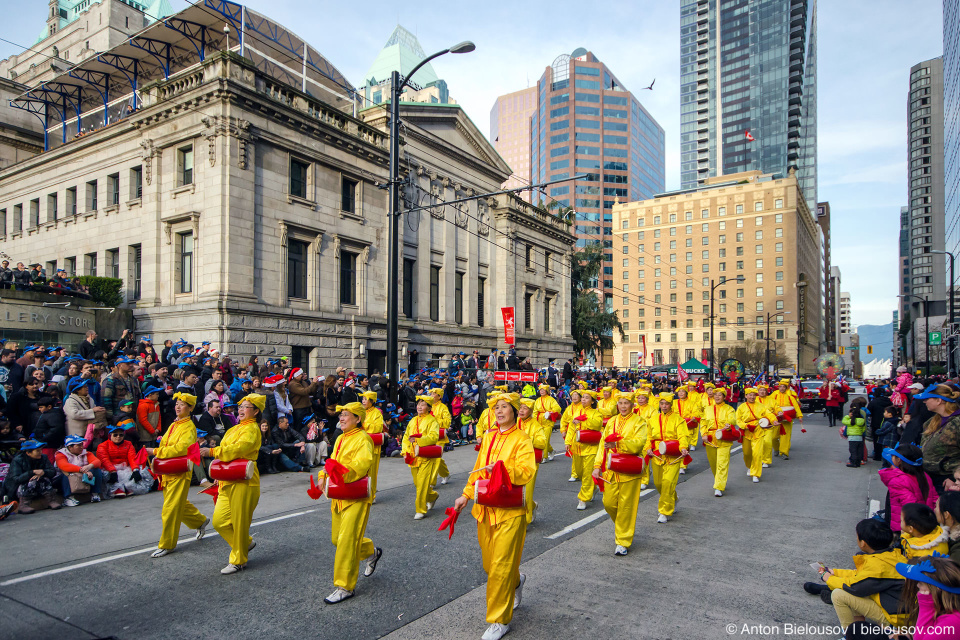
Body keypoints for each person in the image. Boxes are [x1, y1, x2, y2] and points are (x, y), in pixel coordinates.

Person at [452, 393, 536, 640]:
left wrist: (502, 469)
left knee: (500, 567)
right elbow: (478, 470)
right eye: (496, 408)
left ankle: (500, 620)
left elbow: (526, 471)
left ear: (513, 410)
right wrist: (466, 495)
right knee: (491, 565)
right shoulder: (488, 437)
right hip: (485, 508)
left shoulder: (522, 439)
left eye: (504, 407)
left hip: (509, 512)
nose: (499, 412)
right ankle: (517, 581)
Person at [318, 402, 382, 604]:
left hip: (356, 496)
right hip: (339, 495)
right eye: (341, 415)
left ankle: (344, 586)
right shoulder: (340, 438)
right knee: (338, 540)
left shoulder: (363, 439)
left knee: (346, 541)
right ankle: (371, 552)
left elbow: (360, 466)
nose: (342, 418)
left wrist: (337, 474)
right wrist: (322, 475)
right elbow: (331, 461)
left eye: (346, 415)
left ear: (358, 419)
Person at [802, 519, 907, 633]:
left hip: (895, 619)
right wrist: (835, 572)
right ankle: (858, 630)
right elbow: (860, 576)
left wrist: (828, 578)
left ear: (863, 543)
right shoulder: (890, 555)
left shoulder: (878, 565)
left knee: (839, 594)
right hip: (899, 612)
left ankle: (849, 634)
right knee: (849, 591)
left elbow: (854, 587)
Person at [202, 394, 265, 574]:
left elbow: (238, 450)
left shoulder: (252, 429)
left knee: (239, 523)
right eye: (241, 406)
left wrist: (212, 451)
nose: (241, 409)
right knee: (219, 521)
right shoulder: (233, 429)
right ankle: (245, 543)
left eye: (246, 407)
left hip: (244, 481)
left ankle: (238, 560)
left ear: (255, 412)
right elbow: (228, 453)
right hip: (226, 480)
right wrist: (220, 472)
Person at [145, 392, 210, 558]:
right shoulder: (175, 424)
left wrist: (156, 451)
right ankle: (199, 521)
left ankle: (167, 544)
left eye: (182, 404)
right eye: (177, 404)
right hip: (168, 470)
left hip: (179, 470)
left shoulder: (188, 427)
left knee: (170, 508)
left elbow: (181, 449)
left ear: (190, 408)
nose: (178, 407)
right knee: (176, 503)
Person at [592, 391, 647, 555]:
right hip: (611, 469)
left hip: (629, 468)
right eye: (621, 403)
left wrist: (619, 443)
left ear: (632, 405)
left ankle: (623, 541)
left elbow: (638, 444)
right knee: (608, 503)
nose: (623, 406)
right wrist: (597, 466)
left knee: (626, 506)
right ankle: (623, 527)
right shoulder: (612, 422)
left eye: (626, 403)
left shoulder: (639, 422)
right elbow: (603, 444)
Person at [645, 392, 690, 523]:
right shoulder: (653, 419)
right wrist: (648, 447)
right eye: (662, 403)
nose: (664, 406)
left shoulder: (678, 419)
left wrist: (683, 447)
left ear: (671, 405)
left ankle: (664, 511)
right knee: (659, 484)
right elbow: (649, 437)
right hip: (657, 455)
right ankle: (674, 498)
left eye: (667, 404)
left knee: (668, 482)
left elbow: (682, 435)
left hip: (673, 454)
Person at [895, 556, 960, 640]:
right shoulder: (950, 615)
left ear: (936, 589)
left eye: (921, 583)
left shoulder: (950, 623)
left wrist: (926, 605)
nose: (917, 585)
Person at [879, 444, 938, 533]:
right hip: (926, 523)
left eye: (893, 456)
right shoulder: (925, 476)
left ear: (898, 460)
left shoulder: (898, 480)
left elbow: (910, 506)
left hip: (906, 528)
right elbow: (935, 499)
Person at [913, 384, 960, 492]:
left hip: (947, 481)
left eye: (927, 399)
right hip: (929, 477)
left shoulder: (957, 424)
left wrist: (956, 478)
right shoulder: (932, 421)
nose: (924, 402)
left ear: (939, 400)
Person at [402, 396, 441, 519]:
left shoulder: (432, 421)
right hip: (413, 456)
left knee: (423, 483)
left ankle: (420, 509)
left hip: (426, 456)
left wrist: (419, 440)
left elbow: (434, 437)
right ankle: (432, 496)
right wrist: (404, 452)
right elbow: (406, 437)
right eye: (418, 404)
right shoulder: (412, 420)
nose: (419, 406)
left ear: (428, 408)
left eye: (423, 404)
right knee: (418, 484)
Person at [564, 390, 603, 511]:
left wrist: (584, 421)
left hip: (590, 448)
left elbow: (597, 425)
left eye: (586, 398)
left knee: (587, 474)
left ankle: (583, 498)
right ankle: (593, 488)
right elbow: (571, 428)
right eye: (583, 398)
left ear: (592, 401)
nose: (583, 400)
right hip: (577, 447)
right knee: (580, 473)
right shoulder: (577, 411)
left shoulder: (596, 413)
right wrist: (568, 442)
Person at [2, 439, 61, 513]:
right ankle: (23, 505)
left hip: (38, 484)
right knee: (31, 481)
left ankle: (51, 501)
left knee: (44, 479)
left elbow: (52, 472)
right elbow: (16, 479)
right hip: (18, 488)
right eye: (37, 451)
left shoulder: (44, 457)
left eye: (40, 450)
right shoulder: (17, 460)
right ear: (28, 453)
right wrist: (31, 473)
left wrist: (44, 472)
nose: (40, 452)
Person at [700, 387, 738, 497]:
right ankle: (719, 480)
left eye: (720, 395)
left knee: (722, 463)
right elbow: (703, 423)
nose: (717, 396)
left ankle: (718, 487)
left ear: (724, 397)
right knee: (713, 463)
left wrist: (729, 424)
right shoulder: (707, 409)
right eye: (715, 394)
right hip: (710, 439)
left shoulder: (729, 409)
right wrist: (703, 434)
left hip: (724, 437)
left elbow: (732, 419)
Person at [97, 424, 151, 497]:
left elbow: (132, 457)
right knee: (109, 475)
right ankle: (117, 489)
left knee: (141, 470)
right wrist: (112, 471)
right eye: (115, 435)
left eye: (121, 435)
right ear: (110, 436)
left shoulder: (128, 444)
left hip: (126, 466)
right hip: (110, 468)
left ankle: (127, 488)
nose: (118, 437)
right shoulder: (102, 446)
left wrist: (135, 469)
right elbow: (104, 460)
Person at [518, 399, 548, 524]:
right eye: (521, 408)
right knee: (517, 492)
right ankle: (532, 506)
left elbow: (543, 442)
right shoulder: (515, 422)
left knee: (527, 492)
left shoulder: (535, 425)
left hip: (530, 463)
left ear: (530, 411)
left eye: (525, 408)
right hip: (515, 461)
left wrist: (529, 439)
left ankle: (526, 520)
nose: (522, 410)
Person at [55, 434, 105, 506]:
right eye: (78, 445)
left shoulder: (86, 453)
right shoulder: (61, 454)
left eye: (81, 444)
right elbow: (64, 466)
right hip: (67, 477)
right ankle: (68, 498)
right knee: (65, 475)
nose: (81, 447)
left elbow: (97, 462)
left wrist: (89, 466)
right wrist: (82, 470)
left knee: (96, 470)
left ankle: (95, 494)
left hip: (82, 476)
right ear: (70, 447)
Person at [359, 391, 385, 502]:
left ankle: (371, 495)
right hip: (360, 446)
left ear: (372, 401)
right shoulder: (360, 412)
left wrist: (364, 425)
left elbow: (378, 428)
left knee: (372, 472)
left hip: (373, 447)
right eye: (363, 399)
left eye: (366, 399)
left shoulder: (377, 413)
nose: (363, 401)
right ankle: (362, 491)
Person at [532, 384, 561, 463]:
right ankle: (551, 450)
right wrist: (534, 421)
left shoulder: (551, 399)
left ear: (547, 391)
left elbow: (557, 408)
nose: (541, 391)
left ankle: (543, 457)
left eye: (543, 390)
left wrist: (550, 412)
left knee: (545, 439)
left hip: (548, 421)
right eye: (540, 390)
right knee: (541, 439)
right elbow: (535, 412)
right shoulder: (537, 400)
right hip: (539, 421)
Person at [935, 492, 960, 563]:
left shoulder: (957, 547)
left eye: (936, 507)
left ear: (946, 515)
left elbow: (953, 572)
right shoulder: (949, 536)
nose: (934, 510)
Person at [843, 404, 868, 468]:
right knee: (859, 451)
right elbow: (863, 429)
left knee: (853, 451)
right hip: (859, 437)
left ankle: (853, 462)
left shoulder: (851, 421)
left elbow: (844, 421)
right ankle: (858, 462)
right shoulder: (861, 420)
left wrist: (848, 416)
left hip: (852, 438)